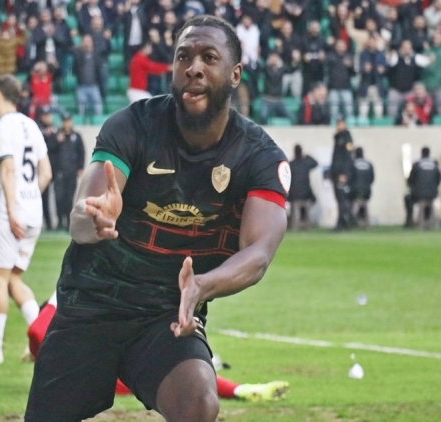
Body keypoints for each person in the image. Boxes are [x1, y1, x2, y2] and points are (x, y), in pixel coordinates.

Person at [25, 15, 290, 422]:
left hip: (167, 314)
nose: (193, 67)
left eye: (208, 57)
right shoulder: (132, 125)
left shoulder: (259, 157)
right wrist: (95, 220)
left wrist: (202, 286)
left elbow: (258, 254)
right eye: (183, 56)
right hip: (92, 305)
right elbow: (80, 217)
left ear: (235, 74)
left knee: (198, 403)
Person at [25, 291, 290, 401]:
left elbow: (37, 332)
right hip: (114, 363)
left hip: (97, 372)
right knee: (174, 371)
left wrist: (44, 356)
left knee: (172, 373)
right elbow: (37, 332)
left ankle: (241, 388)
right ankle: (241, 389)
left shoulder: (69, 294)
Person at [0, 75, 52, 364]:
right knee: (13, 279)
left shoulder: (2, 127)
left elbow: (7, 169)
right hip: (34, 210)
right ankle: (45, 340)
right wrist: (29, 198)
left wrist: (12, 208)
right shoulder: (31, 125)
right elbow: (46, 172)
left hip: (10, 211)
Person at [52, 114, 86, 230]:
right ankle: (60, 221)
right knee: (59, 197)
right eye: (65, 121)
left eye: (68, 121)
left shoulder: (76, 136)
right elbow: (50, 151)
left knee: (69, 198)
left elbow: (81, 153)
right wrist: (56, 141)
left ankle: (68, 221)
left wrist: (80, 167)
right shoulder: (57, 135)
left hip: (71, 172)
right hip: (59, 172)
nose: (66, 123)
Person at [404, 147, 441, 228]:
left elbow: (410, 180)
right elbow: (438, 179)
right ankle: (430, 221)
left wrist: (413, 187)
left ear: (421, 153)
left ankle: (409, 221)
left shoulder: (417, 164)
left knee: (407, 198)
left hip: (418, 194)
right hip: (432, 194)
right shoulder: (434, 165)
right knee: (428, 202)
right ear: (429, 153)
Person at [330, 117, 354, 231]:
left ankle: (344, 222)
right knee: (339, 199)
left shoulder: (346, 138)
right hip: (336, 173)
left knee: (342, 200)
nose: (339, 126)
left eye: (341, 124)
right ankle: (344, 221)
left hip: (341, 174)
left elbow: (348, 157)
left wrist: (345, 173)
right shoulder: (337, 137)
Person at [288, 144, 317, 230]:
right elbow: (315, 163)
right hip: (306, 194)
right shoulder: (306, 163)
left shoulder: (291, 164)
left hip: (294, 195)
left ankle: (294, 224)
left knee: (295, 210)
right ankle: (305, 222)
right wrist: (307, 156)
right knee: (309, 204)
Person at [350, 147, 374, 229]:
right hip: (366, 189)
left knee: (355, 206)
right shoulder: (369, 164)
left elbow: (351, 177)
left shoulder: (353, 163)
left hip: (355, 189)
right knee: (365, 205)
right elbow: (372, 178)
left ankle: (352, 223)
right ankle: (366, 223)